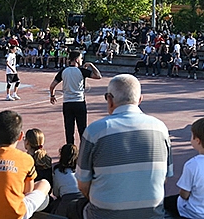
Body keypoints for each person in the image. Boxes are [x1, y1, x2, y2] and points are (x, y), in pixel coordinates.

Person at [76, 74, 172, 219]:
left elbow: (83, 185)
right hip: (152, 215)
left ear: (109, 99)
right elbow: (164, 178)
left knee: (71, 207)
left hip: (105, 215)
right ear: (140, 100)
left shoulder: (95, 131)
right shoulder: (160, 129)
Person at [0, 110, 51, 219]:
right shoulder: (26, 159)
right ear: (20, 136)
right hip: (15, 213)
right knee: (44, 183)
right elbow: (28, 191)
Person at [164, 118, 204, 219]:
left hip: (195, 213)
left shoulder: (192, 164)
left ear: (197, 141)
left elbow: (184, 194)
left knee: (165, 204)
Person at [49, 51, 102, 145]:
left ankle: (70, 150)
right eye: (81, 58)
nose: (82, 60)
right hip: (79, 102)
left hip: (67, 103)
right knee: (82, 129)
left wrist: (52, 96)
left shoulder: (63, 71)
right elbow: (98, 76)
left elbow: (52, 85)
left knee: (69, 129)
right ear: (77, 60)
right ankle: (83, 151)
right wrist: (91, 65)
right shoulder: (81, 71)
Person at [51, 144, 84, 217]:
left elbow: (56, 193)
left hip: (67, 201)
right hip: (82, 200)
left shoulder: (57, 171)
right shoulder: (81, 169)